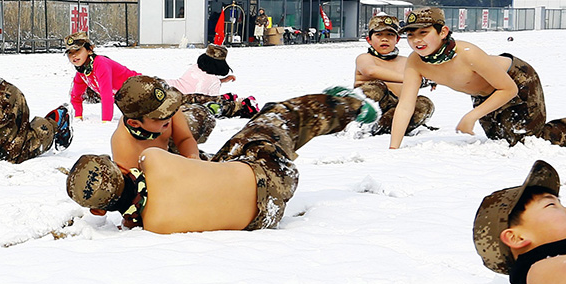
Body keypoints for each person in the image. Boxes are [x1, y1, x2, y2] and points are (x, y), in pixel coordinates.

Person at [65, 89, 380, 234]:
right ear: (119, 166)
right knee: (277, 118)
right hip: (266, 171)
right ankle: (348, 104)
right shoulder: (151, 158)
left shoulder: (154, 225)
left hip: (264, 216)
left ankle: (217, 111)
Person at [389, 7, 566, 150]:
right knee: (501, 141)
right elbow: (406, 105)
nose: (417, 40)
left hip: (517, 81)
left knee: (528, 142)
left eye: (424, 33)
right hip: (484, 94)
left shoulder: (467, 53)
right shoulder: (416, 61)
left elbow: (508, 89)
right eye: (411, 35)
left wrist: (471, 116)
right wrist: (394, 147)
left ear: (442, 32)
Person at [354, 14, 434, 135]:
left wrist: (430, 79)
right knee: (377, 87)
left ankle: (384, 128)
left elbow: (426, 74)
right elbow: (370, 71)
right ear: (369, 39)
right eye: (379, 35)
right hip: (370, 107)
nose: (384, 39)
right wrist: (409, 79)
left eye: (390, 35)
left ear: (397, 40)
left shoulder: (406, 61)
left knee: (424, 103)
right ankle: (358, 124)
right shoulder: (365, 58)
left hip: (395, 109)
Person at [110, 75, 212, 170]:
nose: (168, 117)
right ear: (134, 123)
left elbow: (184, 138)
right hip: (152, 174)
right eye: (158, 117)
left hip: (166, 153)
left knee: (199, 116)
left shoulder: (167, 110)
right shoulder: (125, 149)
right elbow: (139, 184)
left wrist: (192, 156)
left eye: (168, 109)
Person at [166, 44, 259, 119]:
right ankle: (244, 104)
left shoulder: (194, 68)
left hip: (170, 88)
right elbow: (213, 103)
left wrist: (222, 81)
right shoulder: (213, 81)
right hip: (185, 101)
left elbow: (199, 82)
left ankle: (227, 98)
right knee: (221, 105)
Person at [64, 32, 140, 122]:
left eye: (77, 50)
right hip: (127, 100)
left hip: (140, 88)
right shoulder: (82, 72)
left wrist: (106, 121)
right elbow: (75, 95)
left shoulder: (100, 64)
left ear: (89, 50)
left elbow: (106, 94)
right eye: (70, 52)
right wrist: (78, 116)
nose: (73, 55)